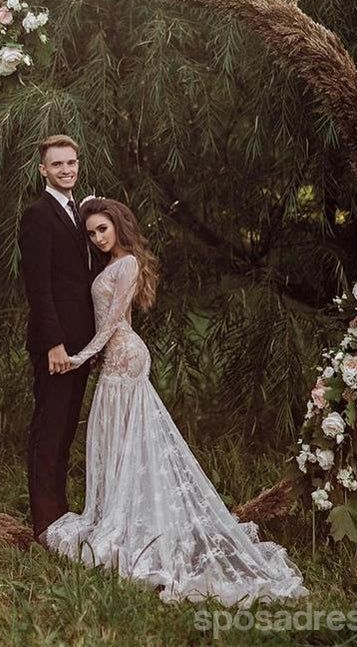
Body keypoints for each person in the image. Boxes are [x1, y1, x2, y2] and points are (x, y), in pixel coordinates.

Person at [44, 197, 309, 607]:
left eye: (103, 229)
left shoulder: (128, 262)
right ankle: (119, 510)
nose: (98, 237)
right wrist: (95, 354)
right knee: (112, 435)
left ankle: (132, 520)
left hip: (126, 354)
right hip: (113, 355)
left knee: (130, 436)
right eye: (92, 232)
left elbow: (115, 321)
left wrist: (80, 355)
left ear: (118, 225)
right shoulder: (109, 263)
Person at [18, 134, 106, 542]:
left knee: (67, 425)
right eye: (57, 165)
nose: (66, 170)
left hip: (81, 342)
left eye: (71, 163)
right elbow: (38, 286)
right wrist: (55, 343)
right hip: (55, 345)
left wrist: (91, 343)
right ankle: (45, 523)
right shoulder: (38, 215)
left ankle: (60, 512)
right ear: (43, 170)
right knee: (49, 427)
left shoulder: (81, 212)